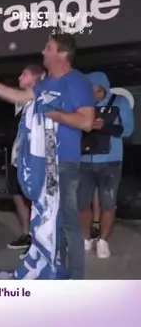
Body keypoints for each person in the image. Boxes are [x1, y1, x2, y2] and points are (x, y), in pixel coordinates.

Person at [0, 32, 95, 279]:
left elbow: (86, 121)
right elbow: (17, 96)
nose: (43, 52)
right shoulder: (45, 85)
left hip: (63, 162)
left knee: (67, 224)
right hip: (43, 163)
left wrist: (57, 116)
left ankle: (76, 283)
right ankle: (54, 271)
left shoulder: (76, 81)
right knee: (49, 223)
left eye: (48, 48)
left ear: (62, 54)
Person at [78, 71, 135, 258]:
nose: (92, 95)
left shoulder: (120, 102)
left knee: (108, 203)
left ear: (103, 88)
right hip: (84, 161)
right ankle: (85, 239)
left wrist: (105, 126)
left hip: (111, 162)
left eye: (96, 91)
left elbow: (128, 130)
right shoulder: (82, 104)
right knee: (82, 202)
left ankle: (103, 242)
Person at [6, 65, 46, 256]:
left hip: (34, 159)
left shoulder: (42, 99)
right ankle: (26, 235)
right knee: (17, 194)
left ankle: (39, 243)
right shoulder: (19, 102)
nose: (19, 76)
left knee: (36, 201)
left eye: (24, 73)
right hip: (18, 157)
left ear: (37, 78)